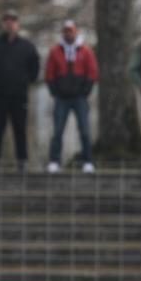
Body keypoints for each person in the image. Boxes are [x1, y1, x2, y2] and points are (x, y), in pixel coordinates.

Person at [0, 10, 40, 165]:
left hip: (19, 95)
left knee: (20, 130)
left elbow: (35, 66)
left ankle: (22, 161)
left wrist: (28, 81)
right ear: (3, 23)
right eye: (7, 20)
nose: (10, 23)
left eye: (13, 20)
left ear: (18, 24)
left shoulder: (27, 46)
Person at [44, 21, 99, 174]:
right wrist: (55, 91)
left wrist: (85, 91)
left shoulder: (85, 51)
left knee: (84, 130)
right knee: (58, 130)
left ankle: (88, 160)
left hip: (79, 97)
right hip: (61, 98)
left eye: (71, 31)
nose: (69, 34)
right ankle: (54, 160)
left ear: (76, 32)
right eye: (66, 31)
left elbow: (92, 72)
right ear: (63, 33)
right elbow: (49, 73)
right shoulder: (55, 51)